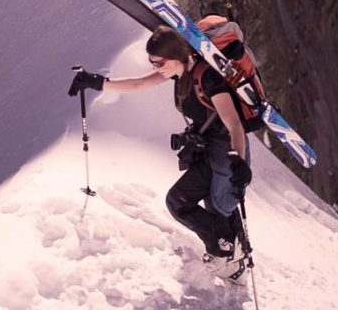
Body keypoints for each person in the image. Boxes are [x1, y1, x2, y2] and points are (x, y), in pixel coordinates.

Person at [68, 25, 253, 283]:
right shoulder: (177, 73)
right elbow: (137, 84)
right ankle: (229, 254)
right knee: (189, 202)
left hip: (226, 152)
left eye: (158, 62)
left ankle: (226, 254)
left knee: (204, 204)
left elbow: (234, 124)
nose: (155, 67)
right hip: (207, 149)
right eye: (151, 62)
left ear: (175, 55)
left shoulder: (208, 78)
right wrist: (96, 82)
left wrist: (239, 161)